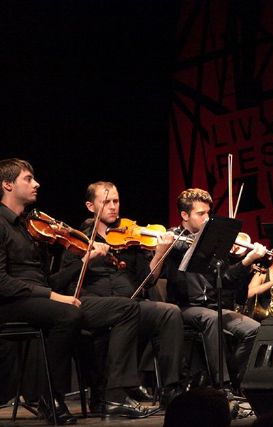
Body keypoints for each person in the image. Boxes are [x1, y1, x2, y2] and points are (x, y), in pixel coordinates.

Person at [62, 181, 184, 409]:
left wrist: (159, 254)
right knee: (125, 310)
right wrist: (87, 258)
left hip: (131, 306)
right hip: (94, 306)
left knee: (170, 312)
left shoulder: (131, 241)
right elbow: (64, 280)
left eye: (115, 201)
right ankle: (114, 392)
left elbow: (148, 281)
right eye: (106, 202)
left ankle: (171, 389)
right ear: (90, 206)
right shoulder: (78, 240)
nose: (112, 206)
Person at [0, 158, 90, 425]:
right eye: (28, 179)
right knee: (68, 315)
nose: (36, 183)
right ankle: (50, 397)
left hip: (33, 299)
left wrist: (80, 263)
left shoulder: (28, 227)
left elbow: (46, 279)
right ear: (7, 184)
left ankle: (104, 395)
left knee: (84, 316)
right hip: (9, 302)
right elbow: (2, 282)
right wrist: (52, 296)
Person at [164, 188, 266, 391]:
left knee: (255, 330)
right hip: (186, 307)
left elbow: (226, 279)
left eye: (208, 213)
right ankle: (223, 386)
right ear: (185, 215)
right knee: (212, 318)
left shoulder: (213, 243)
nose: (206, 218)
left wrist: (247, 261)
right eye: (200, 213)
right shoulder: (173, 238)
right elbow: (179, 248)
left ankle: (236, 378)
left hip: (213, 307)